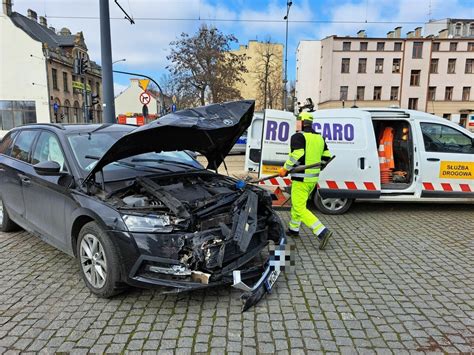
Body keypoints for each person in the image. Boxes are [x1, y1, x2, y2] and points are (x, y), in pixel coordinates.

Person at [279, 112, 333, 250]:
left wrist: (285, 169)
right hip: (312, 180)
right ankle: (294, 229)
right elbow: (327, 156)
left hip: (301, 179)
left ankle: (321, 231)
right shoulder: (320, 138)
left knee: (299, 207)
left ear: (301, 122)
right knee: (299, 204)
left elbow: (297, 154)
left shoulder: (298, 136)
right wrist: (320, 166)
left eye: (297, 121)